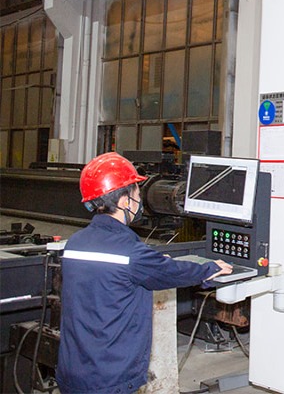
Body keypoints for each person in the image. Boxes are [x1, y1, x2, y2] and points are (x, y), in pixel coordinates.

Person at [56, 152, 232, 394]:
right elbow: (170, 272)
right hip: (110, 377)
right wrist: (209, 269)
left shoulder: (75, 243)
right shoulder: (130, 252)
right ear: (124, 201)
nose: (139, 200)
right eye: (137, 193)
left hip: (72, 369)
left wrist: (153, 263)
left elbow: (120, 273)